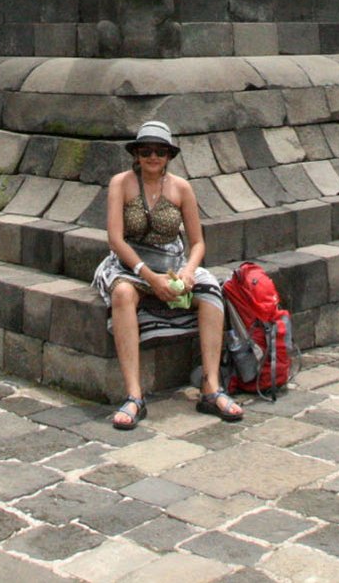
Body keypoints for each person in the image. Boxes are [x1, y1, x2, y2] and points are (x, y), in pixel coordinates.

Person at [94, 120, 242, 430]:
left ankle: (211, 387)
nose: (152, 157)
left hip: (172, 263)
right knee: (122, 294)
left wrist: (188, 273)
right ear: (136, 154)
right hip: (130, 263)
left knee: (212, 291)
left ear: (169, 156)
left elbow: (198, 242)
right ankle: (134, 395)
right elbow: (116, 240)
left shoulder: (181, 188)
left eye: (159, 152)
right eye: (146, 151)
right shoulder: (121, 183)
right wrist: (148, 277)